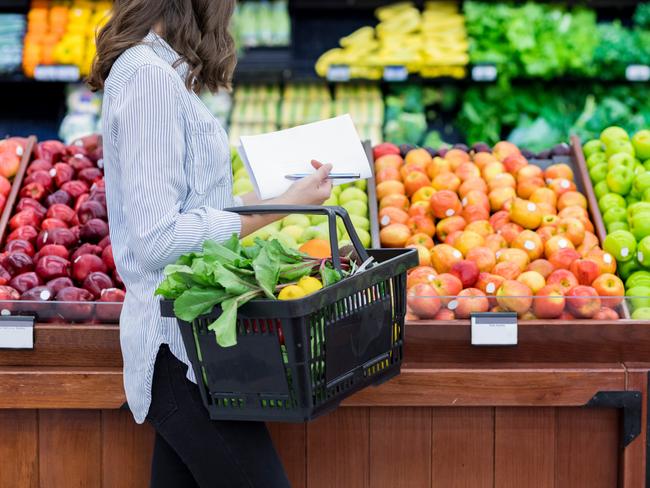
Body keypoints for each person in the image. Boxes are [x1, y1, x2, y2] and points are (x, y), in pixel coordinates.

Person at [88, 1, 332, 486]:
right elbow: (159, 238)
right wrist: (279, 209)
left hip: (198, 348)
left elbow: (197, 206)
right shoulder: (147, 80)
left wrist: (285, 195)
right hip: (178, 352)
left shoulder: (159, 72)